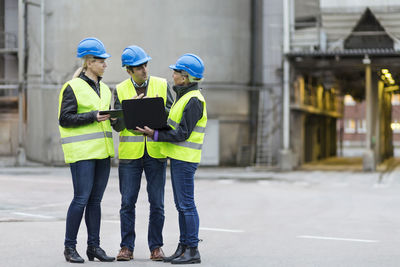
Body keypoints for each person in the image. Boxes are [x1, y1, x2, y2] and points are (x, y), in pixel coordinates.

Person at [137, 53, 207, 264]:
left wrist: (154, 135)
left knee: (186, 205)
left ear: (185, 77)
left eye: (176, 71)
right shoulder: (184, 97)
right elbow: (172, 122)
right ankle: (184, 246)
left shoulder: (193, 100)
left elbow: (182, 133)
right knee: (181, 205)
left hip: (185, 159)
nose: (173, 74)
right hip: (178, 158)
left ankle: (192, 250)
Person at [111, 45, 174, 261]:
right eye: (139, 67)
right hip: (130, 155)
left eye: (145, 65)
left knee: (157, 203)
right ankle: (126, 247)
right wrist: (129, 112)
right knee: (127, 202)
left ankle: (156, 247)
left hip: (155, 152)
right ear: (129, 71)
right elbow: (117, 125)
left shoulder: (162, 85)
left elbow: (173, 116)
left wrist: (154, 109)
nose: (144, 69)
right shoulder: (119, 89)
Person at [58, 37, 115, 263]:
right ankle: (69, 248)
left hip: (102, 153)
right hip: (82, 154)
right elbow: (64, 119)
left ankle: (94, 247)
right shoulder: (72, 87)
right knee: (81, 199)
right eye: (101, 61)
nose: (105, 64)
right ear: (89, 62)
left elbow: (108, 121)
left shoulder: (105, 90)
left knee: (95, 202)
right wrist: (92, 116)